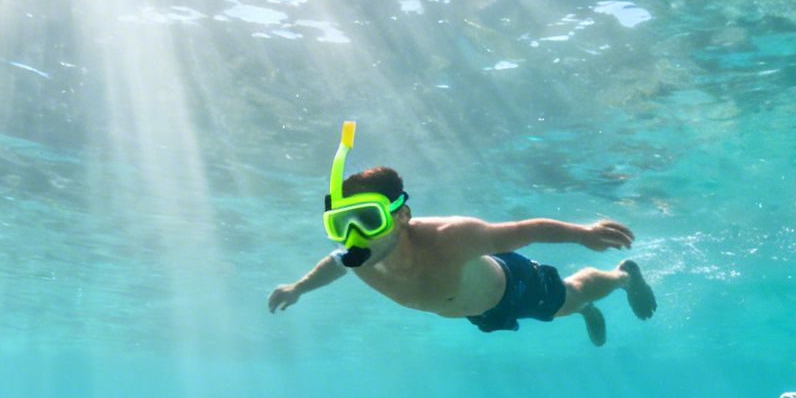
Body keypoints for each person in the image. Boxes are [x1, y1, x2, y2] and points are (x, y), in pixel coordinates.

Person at [267, 123, 656, 346]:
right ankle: (584, 307)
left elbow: (527, 229)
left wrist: (583, 234)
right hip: (477, 309)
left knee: (568, 300)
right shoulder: (357, 256)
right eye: (341, 225)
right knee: (560, 310)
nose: (355, 237)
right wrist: (298, 287)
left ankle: (622, 277)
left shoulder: (452, 237)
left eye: (368, 220)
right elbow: (334, 264)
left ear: (401, 215)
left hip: (512, 287)